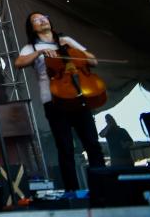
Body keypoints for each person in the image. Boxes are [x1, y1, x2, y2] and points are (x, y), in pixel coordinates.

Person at [14, 12, 105, 192]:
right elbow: (19, 62)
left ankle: (103, 188)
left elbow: (93, 61)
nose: (42, 20)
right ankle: (72, 191)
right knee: (65, 148)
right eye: (36, 20)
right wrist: (39, 51)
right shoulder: (30, 47)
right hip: (54, 100)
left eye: (44, 17)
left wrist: (71, 46)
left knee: (92, 144)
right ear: (32, 28)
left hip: (79, 96)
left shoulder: (66, 39)